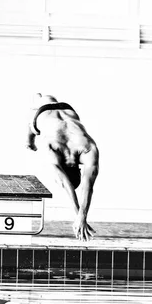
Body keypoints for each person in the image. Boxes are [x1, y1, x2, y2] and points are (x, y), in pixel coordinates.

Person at [26, 94, 99, 241]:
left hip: (67, 109)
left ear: (78, 170)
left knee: (45, 101)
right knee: (33, 129)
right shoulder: (53, 154)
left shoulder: (88, 148)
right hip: (42, 114)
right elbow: (71, 185)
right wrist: (80, 217)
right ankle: (29, 141)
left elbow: (86, 185)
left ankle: (30, 140)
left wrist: (81, 215)